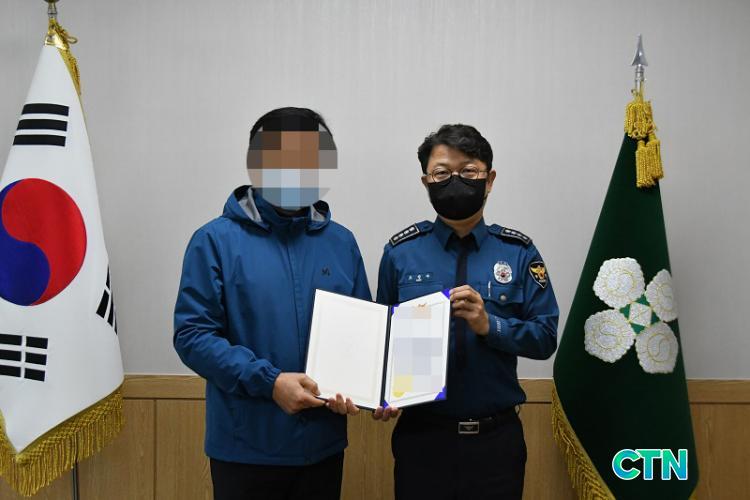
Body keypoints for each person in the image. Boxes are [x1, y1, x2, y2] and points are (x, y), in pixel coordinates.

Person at [174, 107, 368, 500]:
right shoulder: (214, 241)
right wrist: (270, 382)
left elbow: (362, 331)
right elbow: (192, 336)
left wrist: (364, 386)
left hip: (323, 447)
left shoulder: (342, 242)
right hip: (245, 449)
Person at [375, 124, 559, 500]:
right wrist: (381, 392)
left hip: (496, 443)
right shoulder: (400, 254)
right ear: (426, 182)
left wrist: (490, 325)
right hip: (422, 440)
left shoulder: (519, 252)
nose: (455, 181)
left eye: (469, 171)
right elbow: (382, 342)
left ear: (489, 180)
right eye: (442, 172)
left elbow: (545, 338)